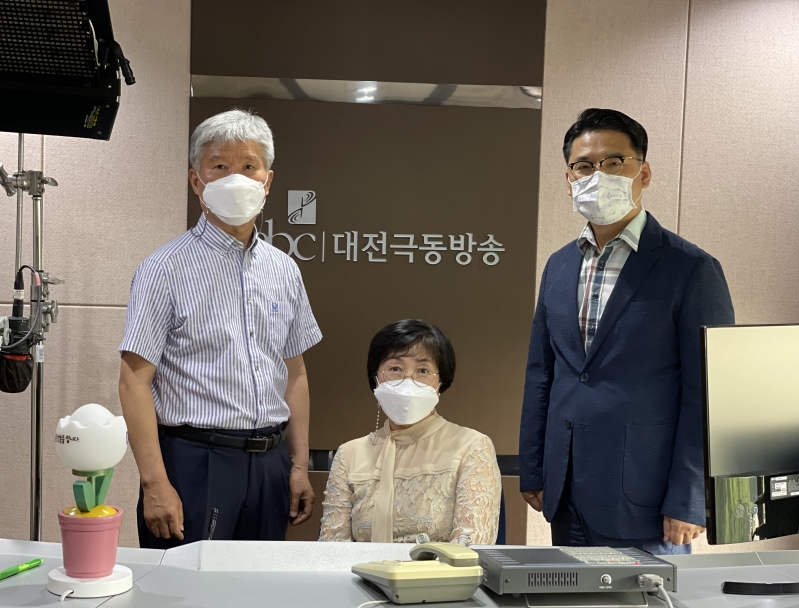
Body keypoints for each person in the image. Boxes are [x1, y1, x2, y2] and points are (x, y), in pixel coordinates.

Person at [519, 108, 735, 555]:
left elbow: (712, 395)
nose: (597, 175)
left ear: (644, 172)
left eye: (614, 162)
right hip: (565, 491)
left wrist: (692, 497)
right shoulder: (559, 265)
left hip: (647, 499)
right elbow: (542, 374)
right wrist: (535, 468)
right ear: (569, 179)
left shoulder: (691, 269)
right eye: (584, 166)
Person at [119, 109, 322, 548]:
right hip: (195, 462)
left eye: (249, 166)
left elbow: (296, 374)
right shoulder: (164, 268)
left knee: (258, 583)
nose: (236, 178)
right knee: (185, 582)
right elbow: (134, 381)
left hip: (270, 465)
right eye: (220, 166)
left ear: (267, 181)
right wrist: (155, 483)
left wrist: (298, 465)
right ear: (197, 181)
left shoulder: (284, 270)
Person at [319, 320, 501, 544]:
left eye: (423, 370)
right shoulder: (349, 454)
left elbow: (471, 548)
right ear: (375, 378)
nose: (408, 380)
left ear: (440, 382)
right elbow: (332, 548)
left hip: (439, 568)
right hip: (361, 568)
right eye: (395, 369)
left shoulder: (471, 446)